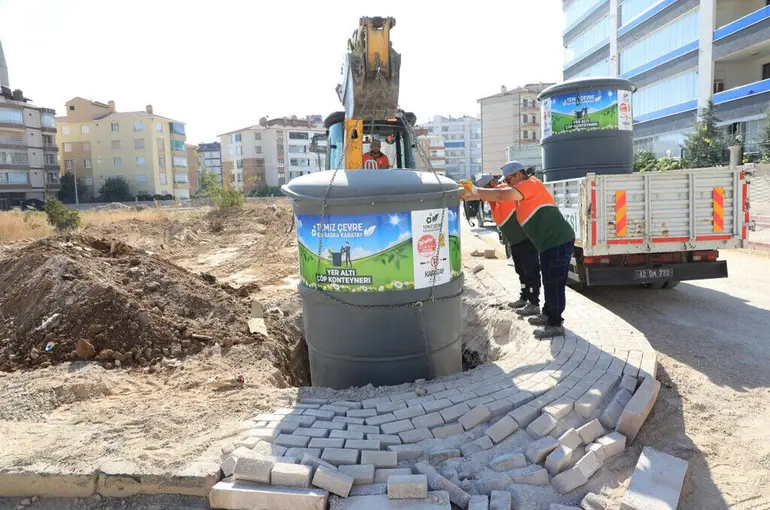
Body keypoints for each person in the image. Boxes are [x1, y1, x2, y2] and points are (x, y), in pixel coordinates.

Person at [460, 166, 575, 338]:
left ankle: (555, 323)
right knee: (549, 279)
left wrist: (475, 189)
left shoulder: (530, 184)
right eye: (505, 181)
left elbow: (500, 194)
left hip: (556, 241)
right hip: (548, 243)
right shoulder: (521, 190)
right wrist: (464, 192)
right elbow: (484, 195)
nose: (507, 184)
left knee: (554, 282)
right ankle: (548, 313)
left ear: (519, 174)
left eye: (508, 180)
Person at [473, 168, 541, 317]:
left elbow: (504, 192)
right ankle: (524, 296)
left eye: (486, 189)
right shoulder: (492, 199)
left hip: (525, 240)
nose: (485, 194)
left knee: (531, 272)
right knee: (521, 271)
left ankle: (534, 302)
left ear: (492, 183)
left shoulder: (505, 190)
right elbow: (475, 195)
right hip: (515, 242)